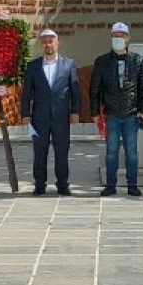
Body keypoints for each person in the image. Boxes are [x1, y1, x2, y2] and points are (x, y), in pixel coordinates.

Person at [90, 22, 143, 197]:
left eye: (122, 36)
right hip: (111, 114)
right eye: (115, 36)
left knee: (132, 152)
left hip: (132, 114)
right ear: (111, 38)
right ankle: (111, 185)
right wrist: (95, 112)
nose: (118, 39)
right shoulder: (102, 61)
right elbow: (95, 89)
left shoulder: (138, 61)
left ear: (128, 38)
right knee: (111, 151)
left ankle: (132, 185)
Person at [21, 29, 82, 196]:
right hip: (39, 117)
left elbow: (75, 90)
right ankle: (39, 185)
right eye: (45, 42)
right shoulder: (33, 66)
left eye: (51, 41)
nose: (48, 45)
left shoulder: (68, 64)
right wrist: (25, 113)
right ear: (42, 44)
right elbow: (27, 91)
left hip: (61, 116)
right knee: (40, 152)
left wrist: (76, 111)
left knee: (62, 151)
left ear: (57, 43)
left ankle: (63, 184)